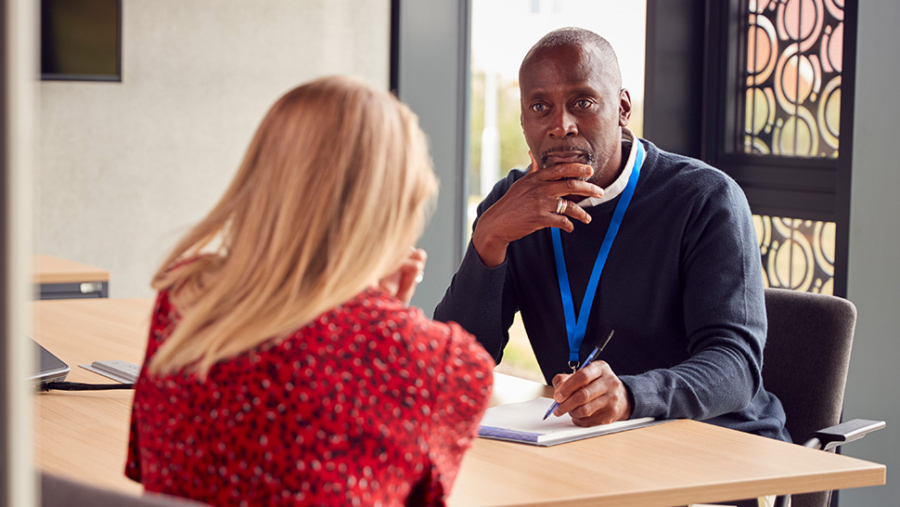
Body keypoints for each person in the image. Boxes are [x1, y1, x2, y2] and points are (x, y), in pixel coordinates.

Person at [125, 76, 494, 507]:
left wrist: (383, 315)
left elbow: (150, 472)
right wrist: (390, 321)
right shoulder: (445, 364)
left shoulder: (186, 297)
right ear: (398, 207)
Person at [434, 28, 789, 443]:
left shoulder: (705, 198)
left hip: (719, 447)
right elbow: (454, 366)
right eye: (540, 107)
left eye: (581, 102)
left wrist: (631, 395)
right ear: (524, 121)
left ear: (622, 108)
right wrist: (489, 239)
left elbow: (736, 367)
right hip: (588, 446)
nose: (560, 125)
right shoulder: (510, 206)